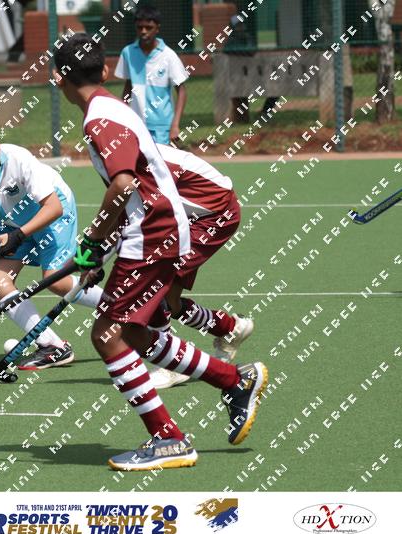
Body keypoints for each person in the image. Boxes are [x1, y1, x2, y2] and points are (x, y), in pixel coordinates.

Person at [53, 33, 268, 470]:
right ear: (105, 69)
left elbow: (123, 185)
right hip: (155, 232)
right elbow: (137, 191)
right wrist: (101, 249)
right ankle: (233, 379)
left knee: (106, 335)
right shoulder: (110, 109)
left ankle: (169, 439)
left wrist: (92, 242)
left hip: (151, 237)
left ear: (59, 78)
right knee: (132, 335)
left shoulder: (100, 119)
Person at [0, 121, 105, 370]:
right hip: (13, 223)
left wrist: (18, 235)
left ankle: (120, 304)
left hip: (51, 213)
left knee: (56, 280)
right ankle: (52, 346)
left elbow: (54, 207)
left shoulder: (19, 160)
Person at [146, 143, 254, 390]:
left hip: (213, 216)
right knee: (170, 303)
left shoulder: (145, 163)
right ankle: (231, 329)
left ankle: (171, 364)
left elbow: (150, 214)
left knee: (153, 285)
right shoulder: (130, 155)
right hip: (190, 216)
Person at [114, 5, 188, 145]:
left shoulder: (168, 55)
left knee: (161, 159)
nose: (143, 31)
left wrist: (175, 125)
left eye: (149, 27)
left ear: (157, 28)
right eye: (140, 27)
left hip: (162, 127)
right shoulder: (128, 53)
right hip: (136, 124)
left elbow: (182, 91)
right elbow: (128, 87)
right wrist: (123, 117)